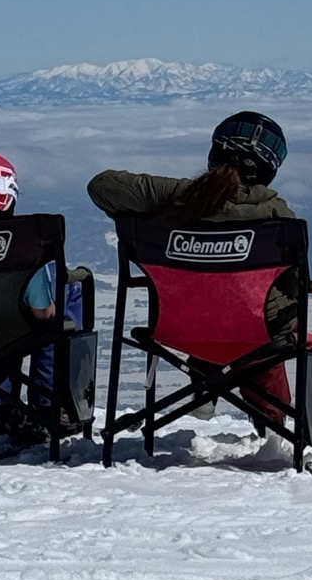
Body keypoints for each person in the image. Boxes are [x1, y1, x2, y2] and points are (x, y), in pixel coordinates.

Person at [86, 111, 297, 417]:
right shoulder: (279, 215)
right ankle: (272, 416)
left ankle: (206, 374)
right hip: (255, 331)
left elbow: (101, 186)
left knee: (226, 314)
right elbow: (298, 284)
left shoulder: (176, 198)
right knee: (273, 320)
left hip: (180, 325)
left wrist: (162, 202)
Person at [0, 150, 84, 443]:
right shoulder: (22, 246)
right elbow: (42, 313)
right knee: (64, 299)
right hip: (9, 325)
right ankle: (48, 406)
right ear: (8, 197)